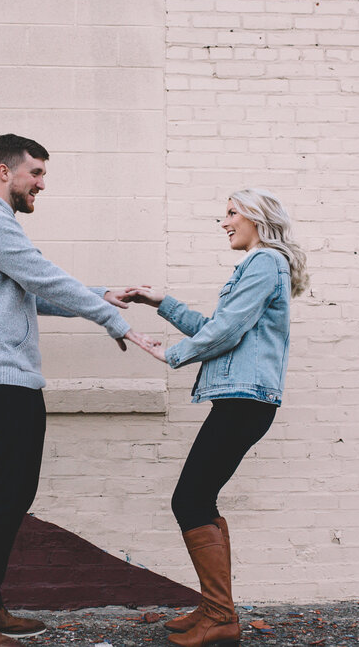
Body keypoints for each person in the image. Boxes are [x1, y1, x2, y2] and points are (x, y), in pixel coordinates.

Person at [0, 133, 158, 647]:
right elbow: (43, 277)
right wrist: (114, 321)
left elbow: (32, 289)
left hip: (6, 378)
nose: (41, 184)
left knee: (12, 495)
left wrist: (99, 294)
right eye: (34, 173)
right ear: (3, 172)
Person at [124, 188, 309, 647]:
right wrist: (162, 302)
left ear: (257, 218)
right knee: (198, 499)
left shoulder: (264, 263)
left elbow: (224, 332)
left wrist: (171, 354)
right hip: (243, 400)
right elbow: (220, 325)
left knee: (189, 500)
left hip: (246, 400)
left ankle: (221, 615)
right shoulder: (259, 267)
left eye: (230, 212)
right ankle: (215, 609)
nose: (222, 221)